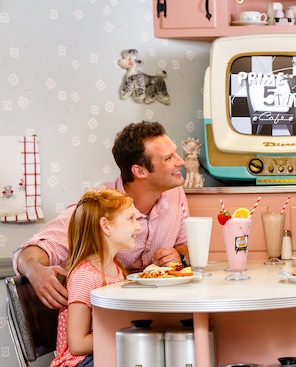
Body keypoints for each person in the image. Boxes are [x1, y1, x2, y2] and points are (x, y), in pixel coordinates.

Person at [12, 121, 189, 309]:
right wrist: (35, 271)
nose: (181, 161)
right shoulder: (98, 205)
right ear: (139, 171)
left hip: (156, 310)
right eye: (169, 158)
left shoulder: (175, 193)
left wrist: (179, 256)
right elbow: (31, 251)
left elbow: (185, 245)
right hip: (103, 318)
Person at [51, 188, 140, 367]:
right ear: (106, 226)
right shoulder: (85, 276)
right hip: (81, 362)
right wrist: (125, 336)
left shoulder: (115, 269)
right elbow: (77, 344)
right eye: (130, 219)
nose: (138, 226)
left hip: (104, 352)